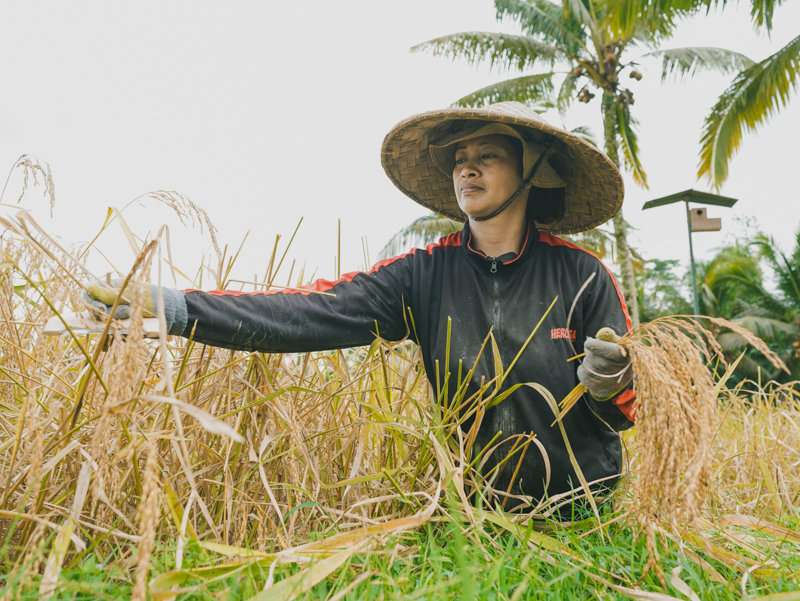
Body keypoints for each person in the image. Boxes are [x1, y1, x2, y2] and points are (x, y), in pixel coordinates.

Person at [85, 101, 636, 514]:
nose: (467, 169)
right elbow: (309, 311)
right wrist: (178, 308)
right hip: (477, 516)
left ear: (531, 171)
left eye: (487, 156)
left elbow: (629, 407)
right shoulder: (423, 274)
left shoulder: (583, 276)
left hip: (582, 514)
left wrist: (610, 384)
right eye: (460, 159)